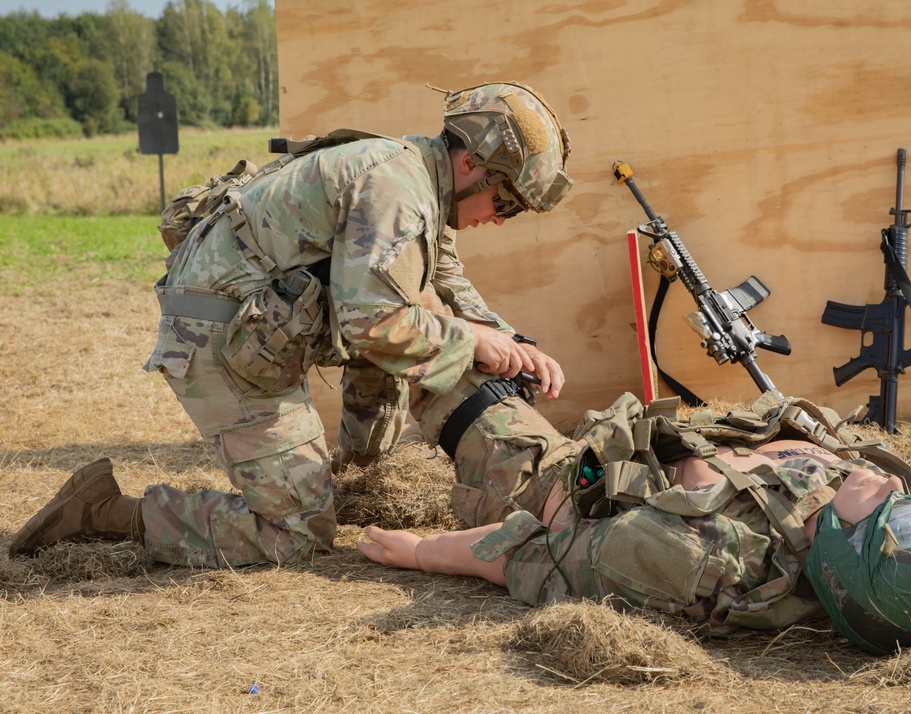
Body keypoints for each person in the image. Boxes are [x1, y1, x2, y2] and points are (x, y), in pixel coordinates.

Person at [7, 81, 573, 569]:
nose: (501, 219)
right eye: (507, 202)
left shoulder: (420, 175)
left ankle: (356, 475)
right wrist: (472, 340)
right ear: (472, 163)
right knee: (298, 533)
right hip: (224, 343)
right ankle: (105, 511)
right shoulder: (396, 191)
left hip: (260, 323)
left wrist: (512, 341)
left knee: (425, 320)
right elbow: (372, 322)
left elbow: (442, 276)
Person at [359, 381, 911, 655]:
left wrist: (420, 551)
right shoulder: (845, 503)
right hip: (615, 444)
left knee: (446, 355)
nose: (887, 485)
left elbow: (540, 552)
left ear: (848, 559)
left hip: (544, 478)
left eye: (884, 508)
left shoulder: (696, 556)